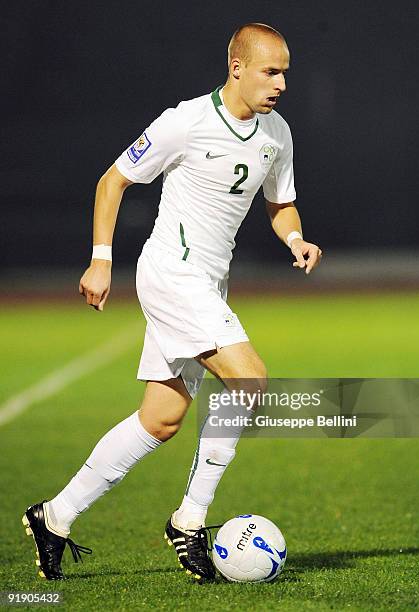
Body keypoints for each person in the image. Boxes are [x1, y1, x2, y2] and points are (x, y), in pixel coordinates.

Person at [22, 22, 322, 582]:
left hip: (207, 284)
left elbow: (281, 203)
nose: (280, 83)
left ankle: (53, 517)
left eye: (285, 72)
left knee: (161, 420)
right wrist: (101, 259)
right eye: (270, 71)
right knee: (251, 380)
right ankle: (189, 521)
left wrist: (295, 239)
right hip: (172, 275)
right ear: (237, 67)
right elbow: (112, 182)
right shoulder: (186, 121)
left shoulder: (276, 132)